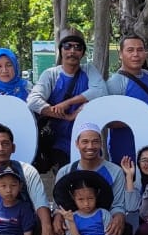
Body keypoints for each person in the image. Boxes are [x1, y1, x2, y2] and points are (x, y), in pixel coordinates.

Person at [52, 123, 134, 235]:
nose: (90, 146)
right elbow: (59, 203)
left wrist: (119, 216)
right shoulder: (66, 171)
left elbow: (118, 204)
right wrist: (57, 216)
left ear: (101, 143)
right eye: (85, 142)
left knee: (122, 229)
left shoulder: (114, 171)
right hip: (74, 223)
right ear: (77, 144)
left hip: (102, 223)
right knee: (56, 226)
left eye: (95, 141)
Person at [26, 28, 108, 173]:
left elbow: (101, 91)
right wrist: (67, 116)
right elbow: (33, 101)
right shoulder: (51, 75)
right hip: (59, 142)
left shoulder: (89, 70)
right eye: (67, 46)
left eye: (77, 47)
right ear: (61, 50)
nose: (72, 51)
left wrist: (68, 103)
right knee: (65, 180)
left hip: (88, 142)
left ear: (83, 52)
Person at [105, 34, 148, 162]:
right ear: (121, 54)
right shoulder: (115, 82)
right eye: (130, 50)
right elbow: (109, 121)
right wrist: (140, 118)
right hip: (124, 148)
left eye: (140, 50)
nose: (136, 54)